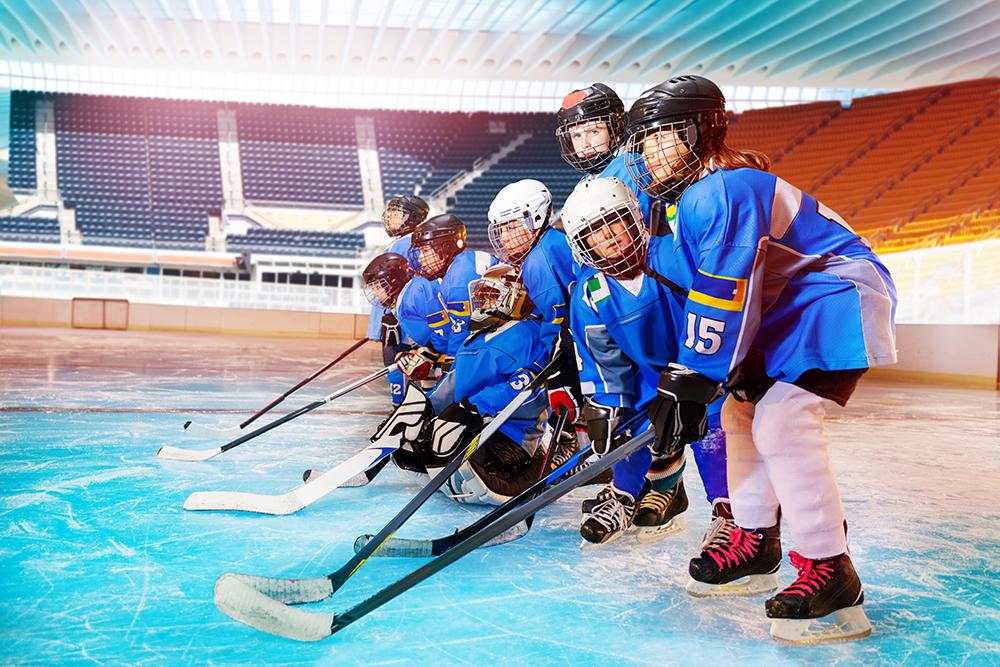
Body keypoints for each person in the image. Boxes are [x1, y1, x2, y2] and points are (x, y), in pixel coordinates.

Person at [625, 74, 897, 643]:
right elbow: (713, 294)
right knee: (740, 414)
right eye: (644, 141)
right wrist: (700, 375)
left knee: (783, 420)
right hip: (793, 306)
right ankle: (754, 540)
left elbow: (723, 292)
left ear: (704, 130)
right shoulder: (687, 211)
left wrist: (696, 375)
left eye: (664, 134)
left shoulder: (722, 190)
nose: (651, 151)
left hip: (835, 295)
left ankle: (830, 567)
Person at [561, 177, 729, 548]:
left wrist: (703, 373)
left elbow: (719, 310)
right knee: (628, 420)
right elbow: (606, 361)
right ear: (582, 245)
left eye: (614, 221)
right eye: (594, 232)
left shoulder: (675, 256)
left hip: (707, 366)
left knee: (713, 422)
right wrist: (606, 408)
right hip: (653, 377)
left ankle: (729, 510)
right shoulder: (591, 294)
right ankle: (624, 496)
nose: (608, 236)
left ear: (634, 217)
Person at [396, 265, 556, 506]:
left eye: (492, 296)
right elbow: (454, 381)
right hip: (473, 424)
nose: (484, 303)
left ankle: (527, 466)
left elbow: (527, 388)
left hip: (511, 433)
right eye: (482, 297)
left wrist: (473, 406)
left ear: (515, 297)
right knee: (422, 440)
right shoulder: (476, 337)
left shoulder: (530, 335)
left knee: (457, 448)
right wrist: (425, 406)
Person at [366, 195, 430, 405]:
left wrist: (393, 316)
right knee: (400, 367)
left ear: (413, 217)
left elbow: (401, 283)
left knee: (397, 366)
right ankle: (404, 409)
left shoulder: (407, 244)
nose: (392, 219)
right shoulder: (406, 242)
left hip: (398, 324)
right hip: (397, 321)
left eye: (398, 214)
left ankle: (401, 411)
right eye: (391, 214)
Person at [407, 213, 498, 360]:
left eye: (425, 251)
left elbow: (465, 334)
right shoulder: (457, 269)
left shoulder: (460, 278)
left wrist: (448, 367)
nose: (420, 258)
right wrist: (436, 354)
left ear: (446, 247)